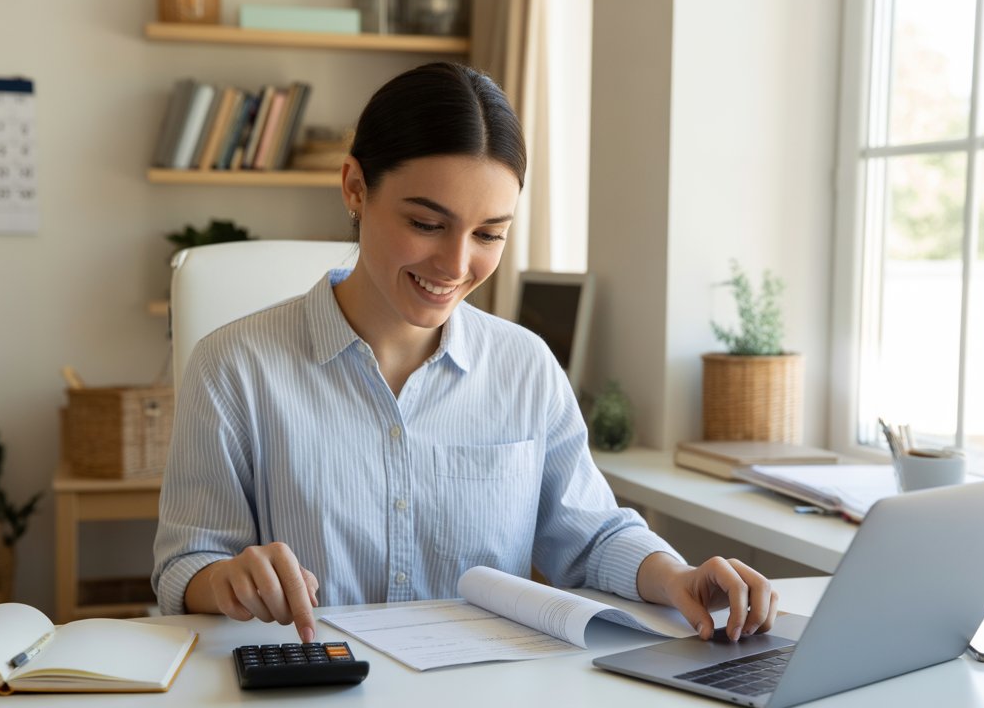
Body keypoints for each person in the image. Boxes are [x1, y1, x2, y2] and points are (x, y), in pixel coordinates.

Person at [151, 62, 778, 644]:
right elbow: (186, 565)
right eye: (426, 224)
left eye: (489, 234)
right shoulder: (233, 367)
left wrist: (674, 576)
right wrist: (229, 578)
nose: (455, 265)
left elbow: (589, 535)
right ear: (354, 189)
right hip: (311, 703)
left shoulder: (526, 368)